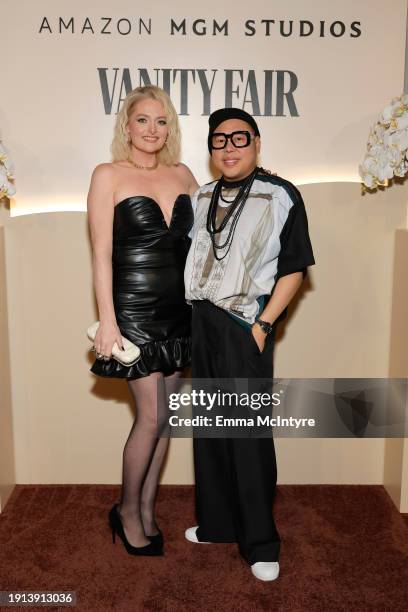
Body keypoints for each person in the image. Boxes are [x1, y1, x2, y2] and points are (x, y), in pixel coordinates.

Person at [184, 107, 315, 581]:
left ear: (257, 143)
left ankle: (261, 542)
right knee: (211, 428)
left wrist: (262, 324)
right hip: (202, 322)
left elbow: (295, 268)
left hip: (244, 325)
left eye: (240, 138)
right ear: (212, 149)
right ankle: (218, 524)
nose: (230, 147)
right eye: (220, 140)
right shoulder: (201, 197)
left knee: (247, 431)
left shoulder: (281, 195)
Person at [87, 85, 198, 556]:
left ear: (169, 127)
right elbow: (99, 256)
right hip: (133, 310)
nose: (152, 129)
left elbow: (210, 241)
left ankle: (148, 509)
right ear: (126, 125)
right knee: (150, 417)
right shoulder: (108, 174)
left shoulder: (184, 174)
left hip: (181, 308)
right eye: (143, 120)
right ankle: (127, 512)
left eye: (161, 121)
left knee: (167, 419)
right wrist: (107, 322)